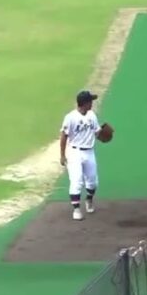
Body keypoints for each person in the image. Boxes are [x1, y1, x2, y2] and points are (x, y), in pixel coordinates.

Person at [59, 90, 103, 220]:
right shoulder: (70, 117)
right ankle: (76, 210)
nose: (92, 104)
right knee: (76, 181)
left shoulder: (92, 116)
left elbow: (97, 132)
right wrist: (62, 155)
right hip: (74, 152)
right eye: (90, 101)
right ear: (85, 103)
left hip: (89, 151)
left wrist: (103, 135)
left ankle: (89, 200)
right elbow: (63, 136)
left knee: (93, 182)